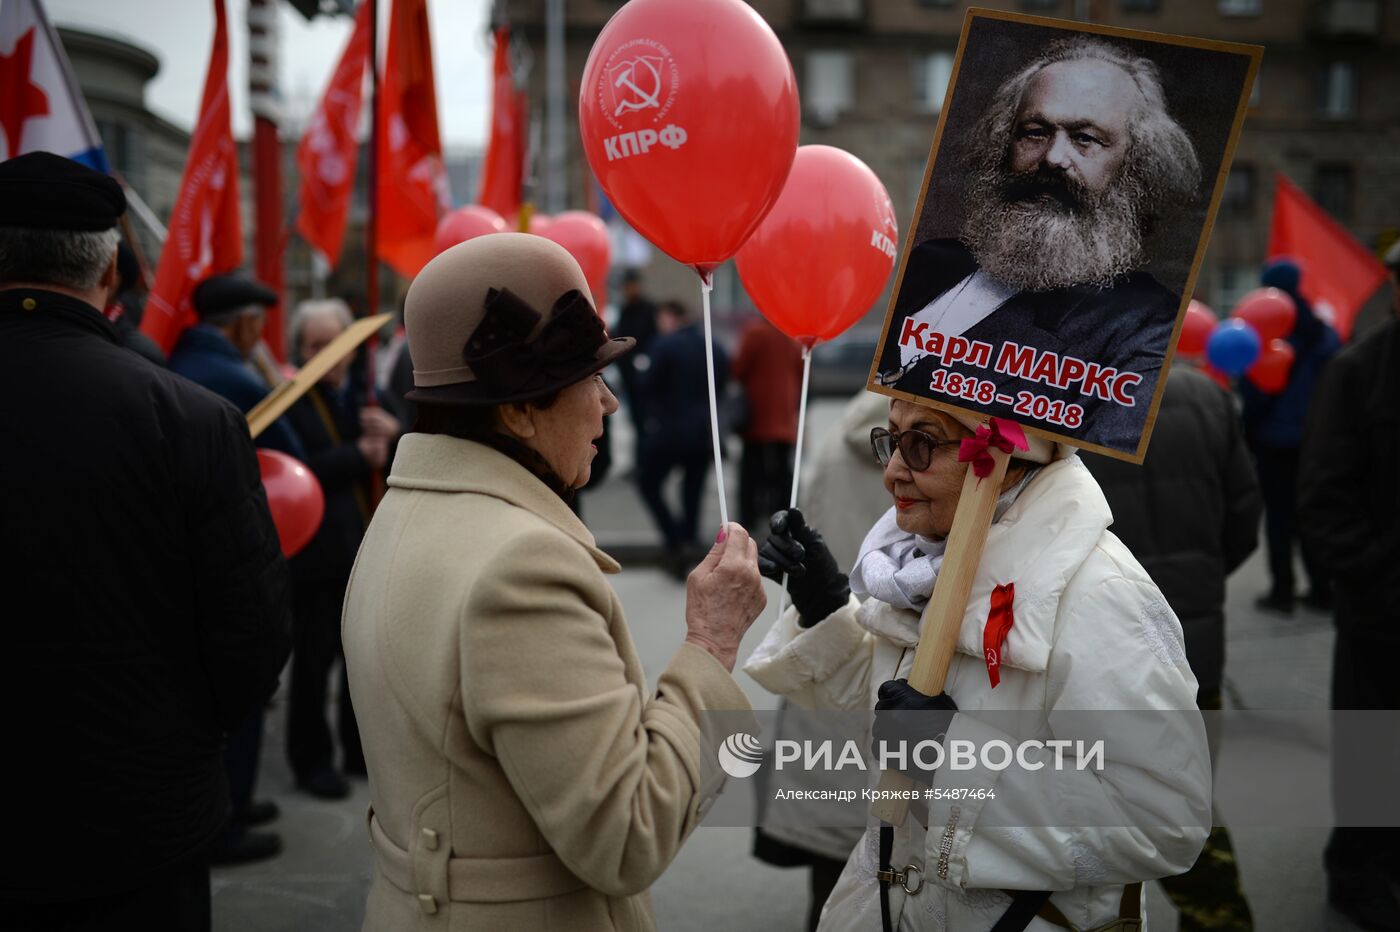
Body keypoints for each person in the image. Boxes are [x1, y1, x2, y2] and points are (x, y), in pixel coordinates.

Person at [341, 233, 768, 930]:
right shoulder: (519, 568)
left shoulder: (405, 509)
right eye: (588, 380)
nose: (608, 404)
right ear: (519, 411)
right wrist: (711, 644)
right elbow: (629, 835)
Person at [745, 398, 1210, 931]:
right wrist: (826, 605)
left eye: (922, 444)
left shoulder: (1102, 595)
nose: (893, 471)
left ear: (1008, 458)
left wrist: (947, 756)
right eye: (891, 440)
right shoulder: (923, 560)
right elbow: (892, 708)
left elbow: (1162, 823)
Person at [0, 152, 291, 928]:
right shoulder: (190, 418)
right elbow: (253, 633)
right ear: (110, 274)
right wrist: (186, 736)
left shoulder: (190, 415)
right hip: (140, 822)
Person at [878, 36, 1201, 450]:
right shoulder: (930, 264)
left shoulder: (1147, 326)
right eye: (1034, 132)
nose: (1053, 158)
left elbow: (1093, 470)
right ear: (1004, 144)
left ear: (1134, 165)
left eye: (1085, 138)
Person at [1082, 364, 1262, 931]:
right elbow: (1245, 518)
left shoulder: (1065, 403)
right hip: (1195, 641)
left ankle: (1217, 916)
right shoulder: (1206, 394)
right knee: (1188, 796)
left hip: (1104, 650)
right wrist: (1199, 584)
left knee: (1132, 807)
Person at [168, 269, 304, 861]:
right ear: (246, 323)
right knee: (243, 689)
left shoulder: (180, 362)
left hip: (184, 555)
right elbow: (294, 453)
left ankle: (228, 807)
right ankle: (229, 817)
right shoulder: (234, 376)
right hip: (237, 550)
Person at [1298, 239, 1400, 932]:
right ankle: (1357, 874)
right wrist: (1372, 577)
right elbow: (1323, 497)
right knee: (1374, 751)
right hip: (1382, 615)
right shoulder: (1359, 372)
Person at [281, 299, 398, 799]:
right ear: (300, 351)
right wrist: (357, 454)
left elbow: (401, 444)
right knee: (313, 664)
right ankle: (311, 761)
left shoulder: (363, 393)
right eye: (316, 346)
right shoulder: (289, 398)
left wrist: (391, 434)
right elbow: (293, 470)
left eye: (338, 345)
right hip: (314, 556)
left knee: (362, 660)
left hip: (362, 549)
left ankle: (357, 751)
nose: (329, 355)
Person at [1241, 259, 1340, 614]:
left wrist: (1248, 429)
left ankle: (1282, 592)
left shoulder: (1263, 330)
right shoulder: (1323, 333)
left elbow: (1255, 391)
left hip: (1273, 440)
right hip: (1315, 440)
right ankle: (1321, 589)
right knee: (1310, 514)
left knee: (1279, 519)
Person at [169, 271, 306, 459]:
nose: (260, 335)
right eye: (261, 323)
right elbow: (290, 456)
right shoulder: (243, 383)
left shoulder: (174, 362)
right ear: (245, 322)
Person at [637, 298, 729, 577]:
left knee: (648, 483)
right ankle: (688, 544)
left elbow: (646, 385)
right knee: (693, 493)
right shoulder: (714, 346)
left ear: (670, 317)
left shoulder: (665, 345)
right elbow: (722, 384)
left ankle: (675, 540)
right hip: (703, 434)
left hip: (669, 431)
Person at [731, 316, 804, 533]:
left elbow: (738, 369)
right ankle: (784, 518)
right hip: (784, 415)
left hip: (757, 415)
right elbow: (801, 372)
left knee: (751, 473)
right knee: (783, 473)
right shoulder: (793, 337)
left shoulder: (755, 333)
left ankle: (749, 519)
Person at [612, 267, 658, 437]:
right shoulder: (624, 310)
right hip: (628, 374)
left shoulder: (649, 309)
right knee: (635, 421)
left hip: (645, 374)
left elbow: (653, 339)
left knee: (647, 420)